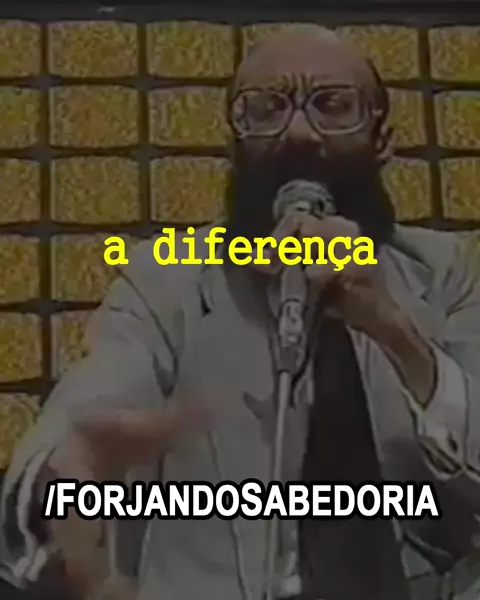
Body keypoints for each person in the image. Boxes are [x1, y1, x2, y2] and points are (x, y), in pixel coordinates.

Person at [1, 24, 480, 600]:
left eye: (332, 105)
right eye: (266, 109)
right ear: (233, 145)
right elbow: (96, 398)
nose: (299, 133)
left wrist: (396, 333)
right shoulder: (167, 280)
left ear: (383, 140)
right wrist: (60, 478)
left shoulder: (442, 271)